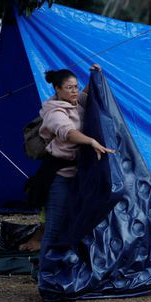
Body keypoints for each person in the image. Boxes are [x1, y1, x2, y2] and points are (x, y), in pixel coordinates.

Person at [18, 65, 114, 252]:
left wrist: (95, 74)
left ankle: (62, 269)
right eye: (69, 87)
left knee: (75, 222)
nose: (74, 91)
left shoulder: (76, 103)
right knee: (54, 226)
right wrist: (91, 141)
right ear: (57, 89)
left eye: (76, 87)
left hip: (79, 175)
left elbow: (87, 94)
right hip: (58, 176)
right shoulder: (54, 112)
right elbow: (68, 132)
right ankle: (46, 274)